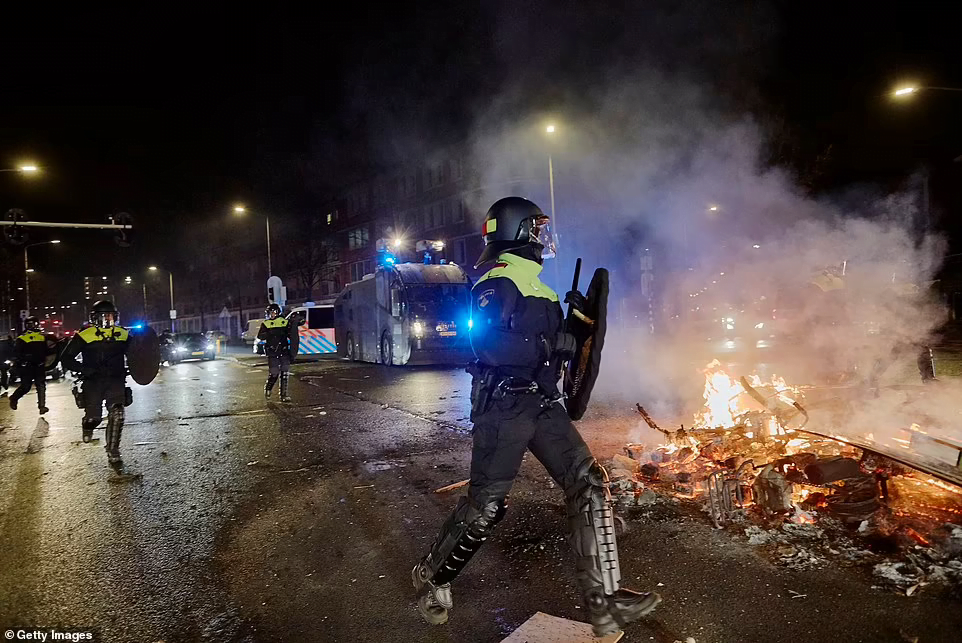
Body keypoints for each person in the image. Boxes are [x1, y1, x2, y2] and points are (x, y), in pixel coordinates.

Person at [411, 197, 660, 637]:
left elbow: (562, 352)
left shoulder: (540, 287)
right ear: (516, 231)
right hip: (504, 406)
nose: (544, 237)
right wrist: (552, 346)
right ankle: (432, 577)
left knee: (587, 481)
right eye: (536, 228)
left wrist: (579, 328)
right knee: (486, 507)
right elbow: (485, 346)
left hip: (542, 404)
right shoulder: (496, 283)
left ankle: (604, 602)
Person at [60, 300, 130, 470]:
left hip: (115, 380)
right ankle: (87, 425)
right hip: (93, 382)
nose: (107, 320)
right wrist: (84, 369)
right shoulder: (85, 335)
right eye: (103, 317)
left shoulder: (123, 334)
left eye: (110, 316)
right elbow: (66, 358)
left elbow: (139, 354)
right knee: (94, 418)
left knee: (118, 414)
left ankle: (113, 451)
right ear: (94, 318)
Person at [8, 317, 48, 414]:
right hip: (27, 366)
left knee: (41, 385)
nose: (30, 326)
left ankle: (42, 406)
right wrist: (22, 361)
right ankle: (14, 398)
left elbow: (48, 350)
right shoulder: (22, 338)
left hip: (39, 365)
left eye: (32, 323)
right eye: (28, 324)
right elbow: (16, 353)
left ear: (36, 324)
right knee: (26, 387)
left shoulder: (43, 336)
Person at [257, 303, 295, 402]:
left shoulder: (284, 322)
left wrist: (295, 322)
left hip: (283, 350)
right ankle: (268, 388)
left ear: (278, 312)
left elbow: (292, 334)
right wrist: (269, 334)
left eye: (274, 312)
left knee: (285, 372)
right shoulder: (266, 324)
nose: (272, 314)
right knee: (274, 373)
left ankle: (284, 395)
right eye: (270, 313)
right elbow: (260, 336)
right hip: (272, 351)